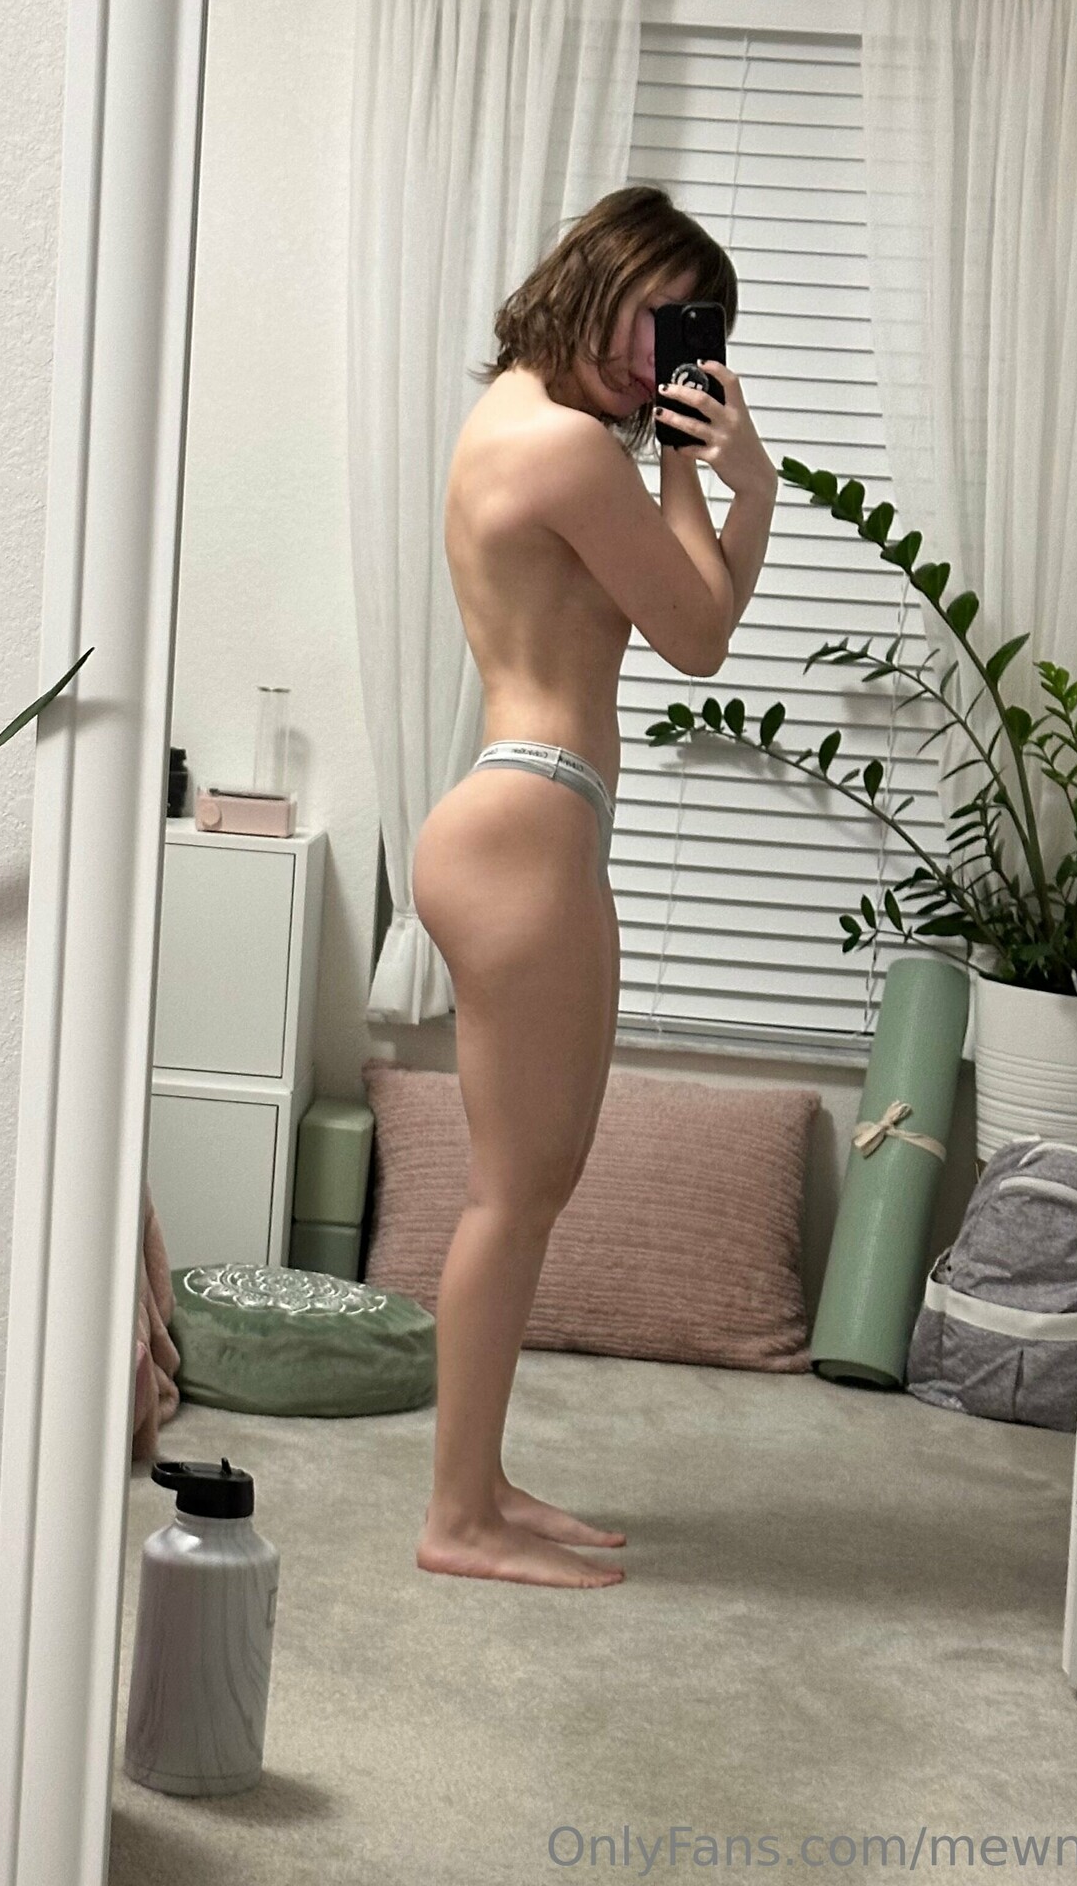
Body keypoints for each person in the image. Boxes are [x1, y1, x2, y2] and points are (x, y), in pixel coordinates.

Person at [411, 184, 780, 1589]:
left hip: (524, 823)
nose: (659, 357)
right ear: (599, 276)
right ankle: (457, 1520)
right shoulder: (567, 449)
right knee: (515, 1194)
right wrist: (736, 483)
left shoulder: (512, 418)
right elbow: (697, 633)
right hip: (527, 825)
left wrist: (677, 462)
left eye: (689, 335)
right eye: (656, 317)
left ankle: (482, 1483)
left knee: (532, 1185)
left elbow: (672, 613)